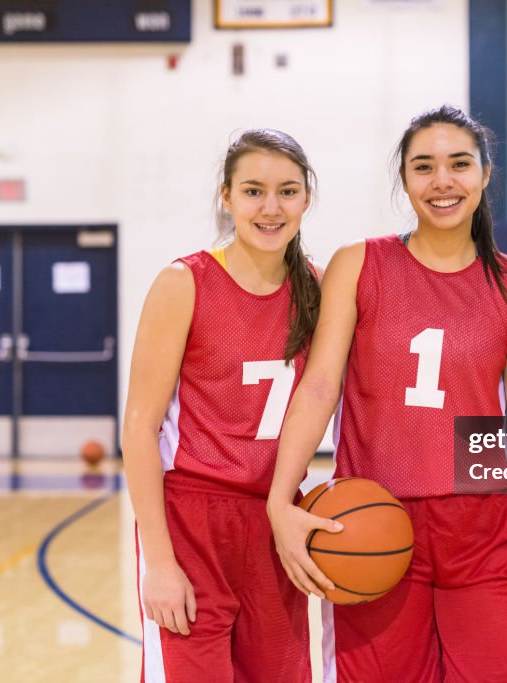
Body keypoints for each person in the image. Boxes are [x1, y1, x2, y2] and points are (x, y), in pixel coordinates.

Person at [267, 105, 507, 683]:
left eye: (459, 165)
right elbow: (320, 385)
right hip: (373, 522)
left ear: (484, 174)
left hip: (483, 532)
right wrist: (281, 498)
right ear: (404, 179)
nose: (442, 181)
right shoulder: (360, 264)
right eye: (423, 167)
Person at [122, 129, 320, 682]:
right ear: (226, 197)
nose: (270, 207)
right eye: (253, 191)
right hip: (192, 518)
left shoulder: (320, 291)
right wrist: (158, 562)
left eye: (287, 191)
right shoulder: (184, 282)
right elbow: (139, 428)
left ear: (307, 199)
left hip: (276, 517)